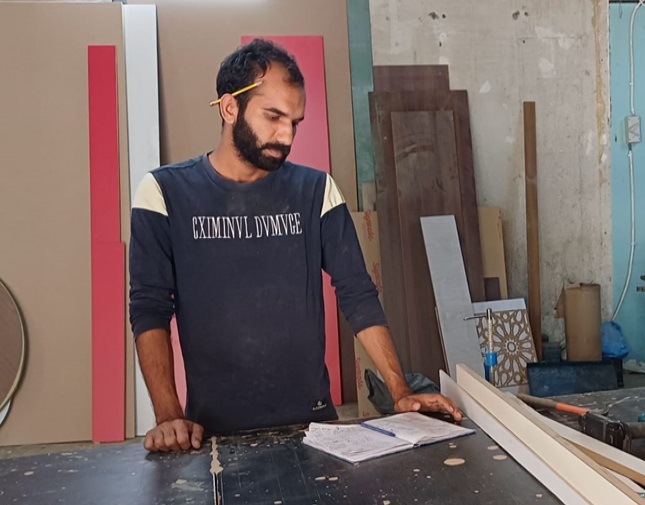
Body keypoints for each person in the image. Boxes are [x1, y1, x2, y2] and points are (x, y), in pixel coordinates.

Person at [129, 39, 462, 453]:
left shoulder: (316, 191)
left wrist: (400, 391)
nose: (286, 135)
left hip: (315, 430)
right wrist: (169, 418)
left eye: (295, 122)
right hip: (212, 436)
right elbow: (150, 308)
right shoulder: (163, 193)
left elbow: (357, 293)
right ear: (230, 108)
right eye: (273, 116)